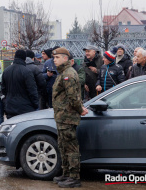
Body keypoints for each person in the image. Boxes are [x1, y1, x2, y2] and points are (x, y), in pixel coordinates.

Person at [52, 47, 88, 188]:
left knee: (71, 147)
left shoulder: (68, 74)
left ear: (65, 58)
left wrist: (80, 109)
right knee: (63, 146)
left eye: (57, 57)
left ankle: (74, 177)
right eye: (54, 58)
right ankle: (66, 174)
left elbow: (73, 97)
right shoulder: (63, 73)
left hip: (67, 117)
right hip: (62, 116)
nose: (54, 60)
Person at [1, 50, 38, 118]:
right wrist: (36, 104)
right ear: (24, 58)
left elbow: (3, 90)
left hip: (10, 106)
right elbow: (32, 90)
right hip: (25, 108)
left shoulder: (6, 71)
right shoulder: (27, 72)